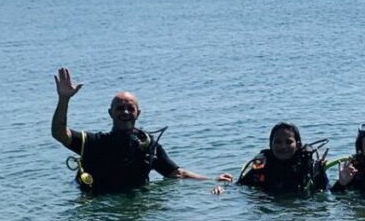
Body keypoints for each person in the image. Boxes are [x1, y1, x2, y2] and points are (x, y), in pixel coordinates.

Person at [51, 67, 232, 193]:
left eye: (130, 108)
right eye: (120, 108)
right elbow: (59, 133)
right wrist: (64, 99)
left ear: (138, 113)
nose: (125, 112)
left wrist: (211, 180)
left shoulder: (148, 146)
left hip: (135, 204)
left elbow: (177, 174)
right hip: (99, 209)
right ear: (110, 113)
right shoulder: (95, 142)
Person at [236, 122, 329, 194]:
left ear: (298, 145)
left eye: (288, 142)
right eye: (278, 142)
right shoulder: (261, 165)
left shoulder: (308, 165)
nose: (283, 146)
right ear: (270, 145)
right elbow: (240, 187)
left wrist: (341, 183)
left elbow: (327, 192)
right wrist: (225, 184)